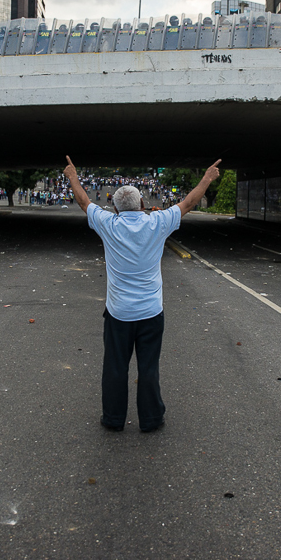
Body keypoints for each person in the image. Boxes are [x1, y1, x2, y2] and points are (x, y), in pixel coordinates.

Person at [63, 155, 221, 433]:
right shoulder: (157, 222)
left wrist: (73, 177)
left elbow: (84, 202)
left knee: (115, 367)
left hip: (119, 313)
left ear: (114, 207)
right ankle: (150, 418)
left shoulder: (108, 225)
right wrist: (207, 178)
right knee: (148, 367)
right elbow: (188, 203)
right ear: (144, 205)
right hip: (150, 312)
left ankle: (113, 418)